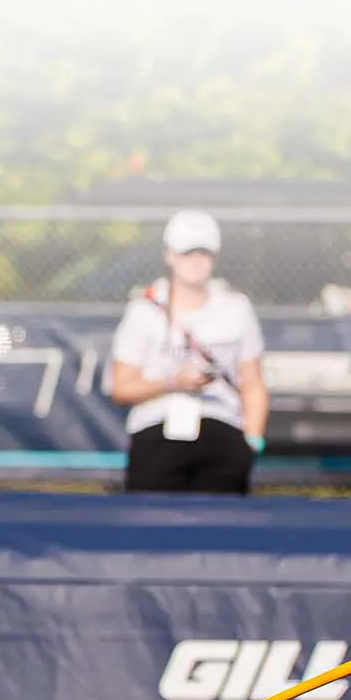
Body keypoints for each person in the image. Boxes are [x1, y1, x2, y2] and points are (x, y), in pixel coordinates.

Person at [109, 211, 267, 495]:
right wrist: (173, 382)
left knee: (222, 528)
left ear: (215, 256)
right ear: (169, 255)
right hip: (158, 429)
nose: (195, 261)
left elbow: (252, 383)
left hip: (222, 428)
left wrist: (253, 441)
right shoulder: (144, 313)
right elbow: (121, 388)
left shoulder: (236, 309)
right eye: (187, 252)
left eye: (203, 252)